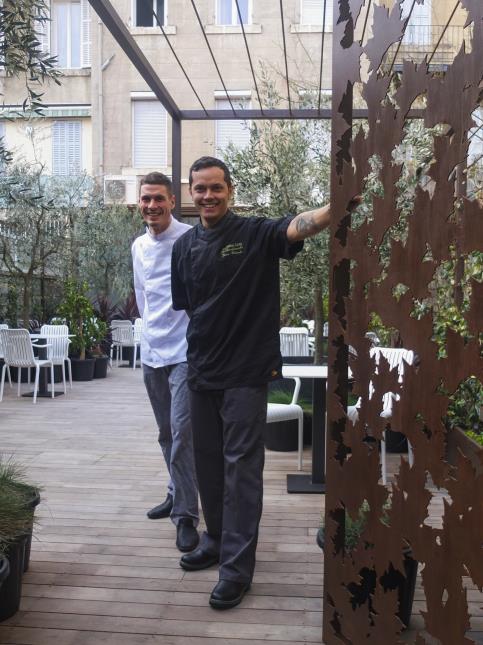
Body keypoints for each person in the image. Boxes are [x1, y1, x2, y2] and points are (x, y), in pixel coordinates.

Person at [171, 156, 361, 609]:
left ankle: (236, 569)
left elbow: (297, 227)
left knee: (241, 472)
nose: (208, 196)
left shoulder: (253, 233)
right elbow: (189, 309)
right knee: (210, 467)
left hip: (246, 373)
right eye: (200, 189)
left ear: (230, 190)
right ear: (191, 193)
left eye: (216, 188)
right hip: (200, 371)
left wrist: (333, 208)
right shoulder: (184, 248)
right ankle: (215, 540)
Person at [132, 171, 199, 553]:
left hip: (185, 354)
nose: (152, 205)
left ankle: (186, 516)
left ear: (173, 201)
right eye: (146, 199)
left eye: (159, 198)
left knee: (183, 432)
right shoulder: (138, 245)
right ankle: (176, 492)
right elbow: (143, 296)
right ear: (139, 203)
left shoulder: (189, 239)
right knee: (166, 433)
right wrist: (147, 336)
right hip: (151, 351)